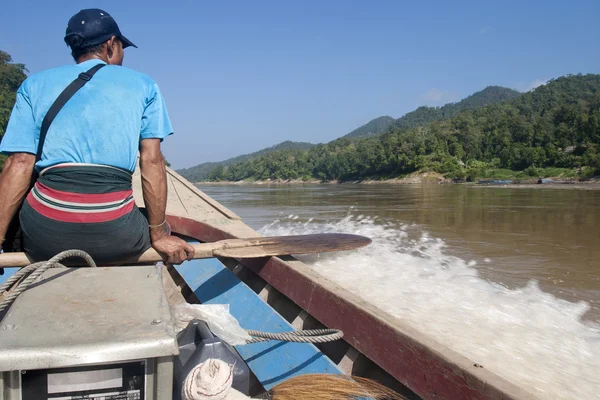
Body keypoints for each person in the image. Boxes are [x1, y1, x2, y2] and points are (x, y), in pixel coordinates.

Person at [0, 9, 194, 265]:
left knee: (30, 215)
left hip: (45, 236)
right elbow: (152, 161)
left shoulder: (34, 84)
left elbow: (20, 163)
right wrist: (158, 234)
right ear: (111, 44)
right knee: (150, 222)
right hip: (118, 235)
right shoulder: (144, 85)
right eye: (122, 46)